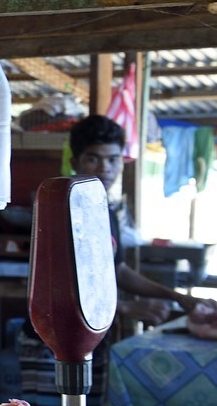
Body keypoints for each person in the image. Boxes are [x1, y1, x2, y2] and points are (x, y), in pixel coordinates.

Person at [68, 114, 205, 325]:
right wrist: (124, 307)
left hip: (91, 334)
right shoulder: (63, 210)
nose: (105, 168)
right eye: (93, 159)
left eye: (113, 159)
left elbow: (119, 271)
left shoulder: (106, 212)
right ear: (75, 162)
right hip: (53, 342)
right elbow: (58, 282)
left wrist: (176, 296)